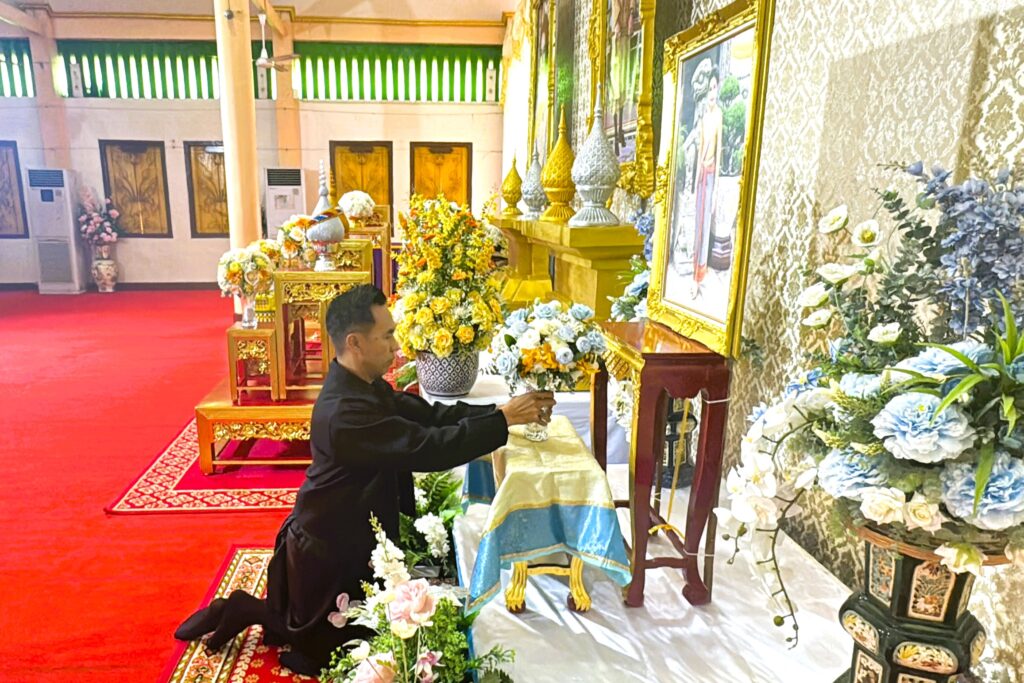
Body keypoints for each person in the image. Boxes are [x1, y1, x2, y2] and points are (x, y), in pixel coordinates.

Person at [174, 284, 555, 676]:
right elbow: (426, 447)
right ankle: (240, 608)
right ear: (354, 342)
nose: (396, 346)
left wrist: (498, 412)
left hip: (352, 531)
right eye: (386, 336)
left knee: (362, 632)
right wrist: (502, 421)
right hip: (328, 552)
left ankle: (248, 610)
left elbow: (427, 417)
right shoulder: (345, 412)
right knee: (330, 655)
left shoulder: (361, 384)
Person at [690, 67, 722, 300]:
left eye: (714, 88)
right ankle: (695, 272)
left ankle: (701, 272)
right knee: (697, 224)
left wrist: (717, 186)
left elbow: (718, 153)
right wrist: (694, 184)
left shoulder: (719, 116)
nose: (712, 93)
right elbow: (701, 148)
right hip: (701, 174)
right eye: (709, 89)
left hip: (711, 174)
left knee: (706, 224)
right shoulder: (704, 119)